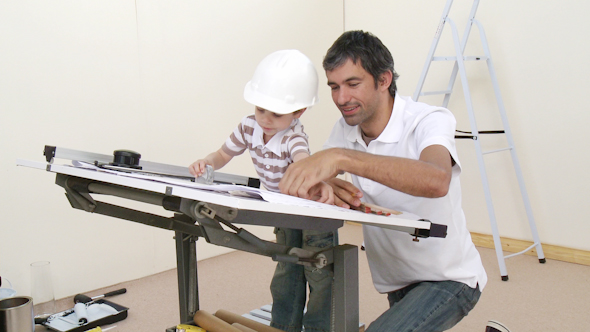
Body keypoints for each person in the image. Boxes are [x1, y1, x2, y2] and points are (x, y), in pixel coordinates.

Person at [279, 30, 488, 331]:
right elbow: (319, 178)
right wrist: (325, 185)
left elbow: (437, 180)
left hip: (450, 278)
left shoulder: (429, 120)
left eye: (353, 84)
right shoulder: (345, 130)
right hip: (397, 282)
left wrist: (342, 159)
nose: (341, 98)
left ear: (384, 80)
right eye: (334, 87)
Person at [189, 49, 336, 332]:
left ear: (298, 112)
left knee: (318, 274)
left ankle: (320, 329)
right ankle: (282, 327)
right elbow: (222, 154)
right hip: (282, 212)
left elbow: (304, 162)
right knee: (286, 270)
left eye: (277, 113)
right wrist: (207, 162)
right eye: (260, 109)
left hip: (312, 213)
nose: (266, 119)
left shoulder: (292, 136)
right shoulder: (248, 126)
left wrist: (317, 181)